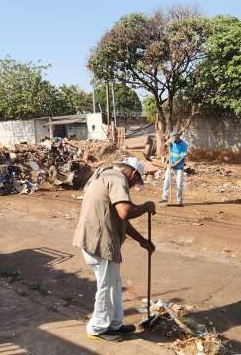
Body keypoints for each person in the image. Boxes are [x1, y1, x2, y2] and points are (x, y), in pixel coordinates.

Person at [73, 157, 157, 342]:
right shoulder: (118, 178)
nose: (134, 185)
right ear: (133, 173)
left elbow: (121, 220)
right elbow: (125, 212)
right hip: (100, 242)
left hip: (93, 239)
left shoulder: (104, 175)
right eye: (136, 181)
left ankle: (115, 324)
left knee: (113, 284)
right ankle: (98, 328)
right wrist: (145, 207)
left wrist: (142, 241)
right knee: (107, 286)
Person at [160, 131, 189, 205]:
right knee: (166, 180)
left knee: (179, 184)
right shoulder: (172, 142)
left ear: (178, 137)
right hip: (171, 165)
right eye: (172, 140)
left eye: (174, 140)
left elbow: (182, 158)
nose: (173, 141)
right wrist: (168, 145)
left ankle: (179, 200)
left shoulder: (184, 145)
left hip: (179, 167)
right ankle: (165, 197)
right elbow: (166, 147)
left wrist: (174, 164)